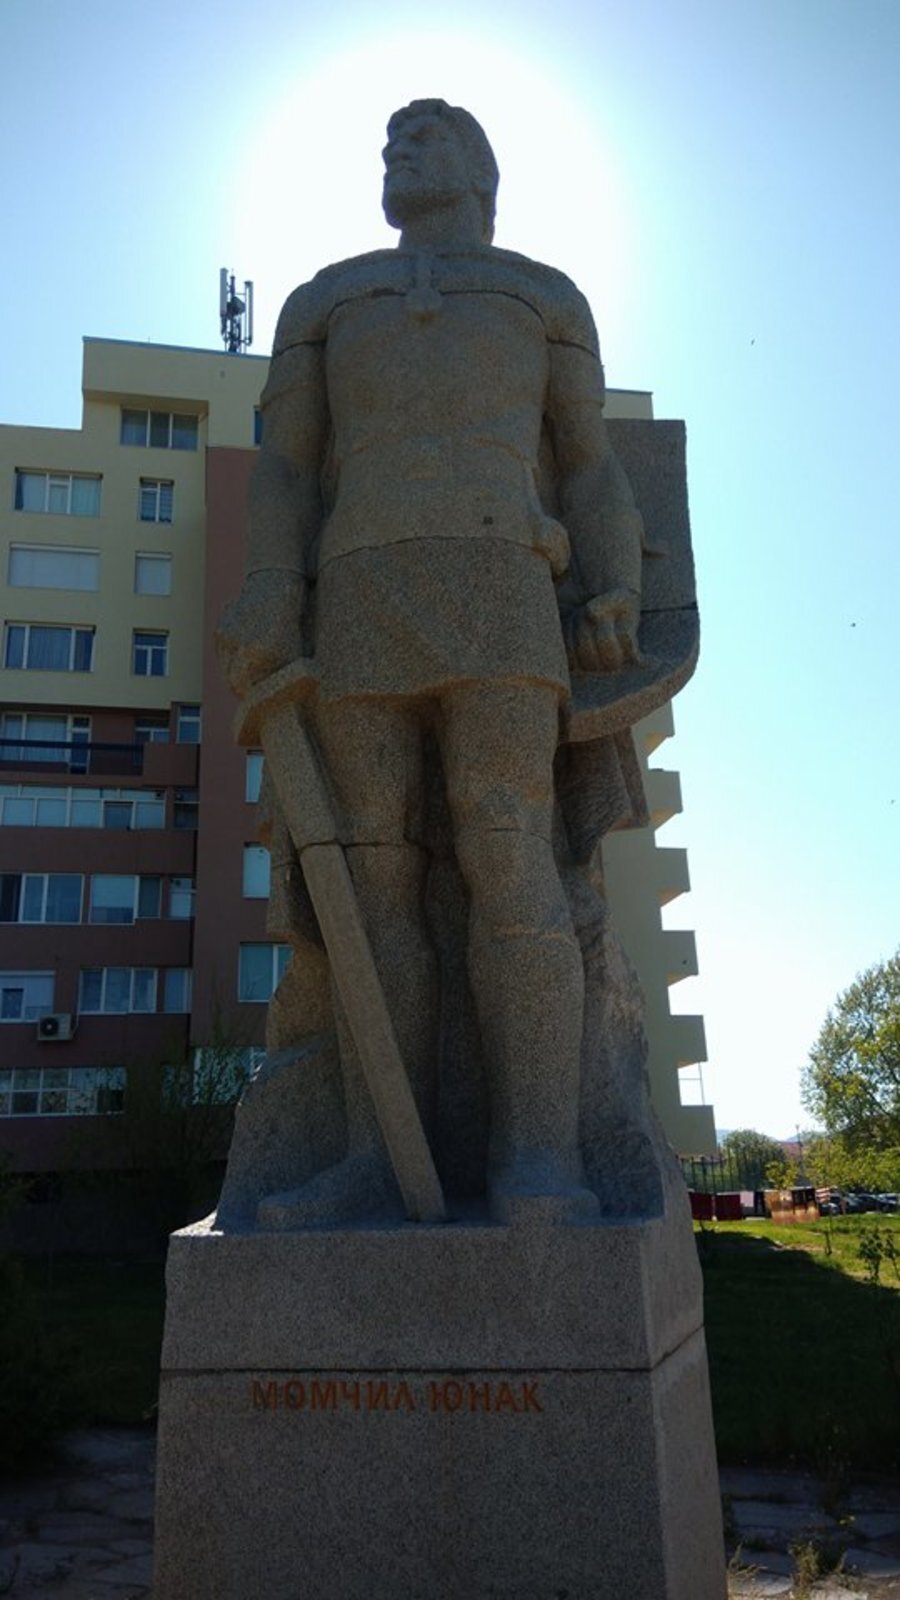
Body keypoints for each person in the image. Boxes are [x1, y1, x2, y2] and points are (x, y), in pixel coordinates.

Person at [218, 99, 646, 1223]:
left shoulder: (544, 295)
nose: (398, 150)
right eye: (390, 141)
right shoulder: (327, 299)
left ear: (480, 169)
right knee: (372, 879)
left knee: (509, 847)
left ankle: (539, 1155)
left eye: (425, 136)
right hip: (361, 588)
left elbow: (589, 463)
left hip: (504, 584)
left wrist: (614, 583)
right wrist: (272, 588)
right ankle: (378, 1153)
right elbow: (286, 468)